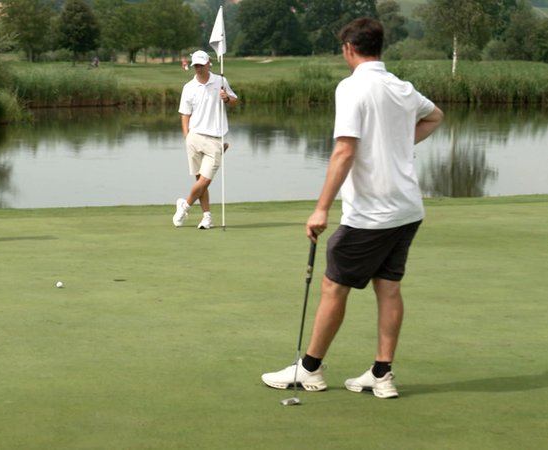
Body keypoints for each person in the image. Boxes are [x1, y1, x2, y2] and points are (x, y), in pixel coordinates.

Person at [261, 17, 444, 399]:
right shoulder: (401, 87)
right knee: (389, 287)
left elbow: (344, 151)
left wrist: (320, 209)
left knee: (333, 286)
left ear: (348, 48)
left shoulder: (351, 88)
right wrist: (395, 143)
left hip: (371, 213)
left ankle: (309, 368)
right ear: (379, 47)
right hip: (407, 209)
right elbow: (435, 116)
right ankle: (382, 374)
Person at [173, 50, 237, 230]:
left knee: (206, 180)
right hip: (194, 137)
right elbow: (185, 114)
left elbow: (235, 101)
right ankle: (206, 217)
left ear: (209, 63)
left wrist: (227, 99)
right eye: (196, 65)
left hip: (216, 138)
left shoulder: (220, 81)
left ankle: (184, 205)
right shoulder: (188, 87)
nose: (199, 68)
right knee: (200, 180)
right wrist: (187, 136)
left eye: (202, 64)